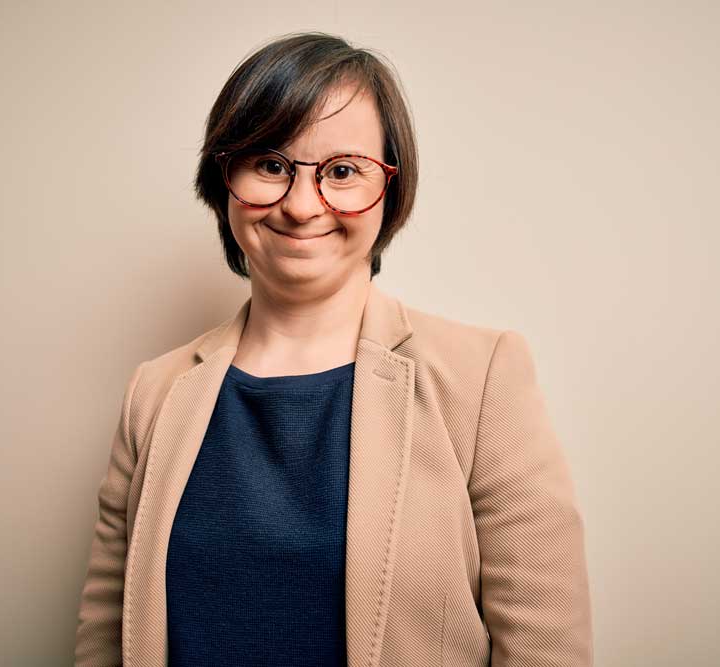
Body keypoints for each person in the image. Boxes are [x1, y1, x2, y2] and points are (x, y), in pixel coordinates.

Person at [74, 31, 593, 667]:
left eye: (343, 171)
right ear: (223, 178)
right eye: (269, 164)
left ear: (390, 191)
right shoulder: (152, 394)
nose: (299, 204)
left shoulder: (482, 378)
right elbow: (106, 637)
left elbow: (547, 649)